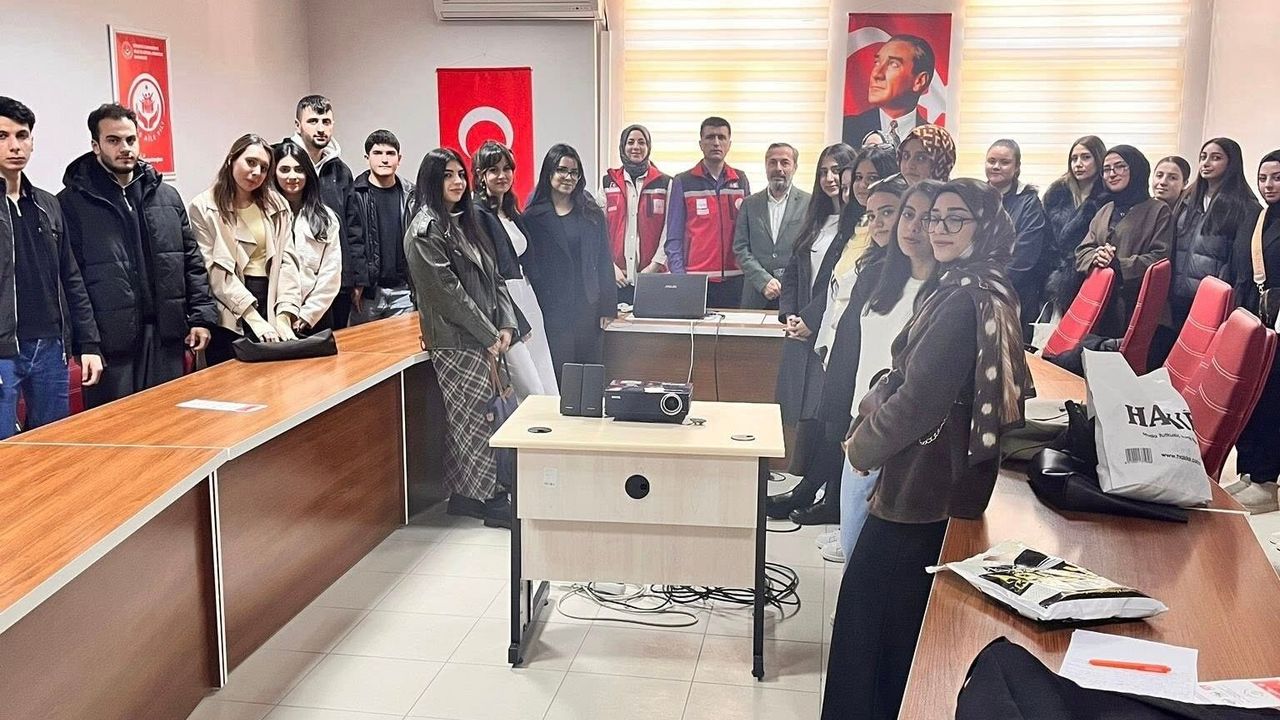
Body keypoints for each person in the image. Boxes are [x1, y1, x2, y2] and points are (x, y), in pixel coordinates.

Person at [823, 178, 1032, 720]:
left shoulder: (963, 299)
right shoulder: (978, 285)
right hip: (942, 484)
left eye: (955, 218)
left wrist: (859, 449)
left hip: (922, 489)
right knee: (894, 630)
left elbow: (919, 402)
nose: (938, 229)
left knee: (869, 627)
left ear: (984, 226)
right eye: (935, 218)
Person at [819, 178, 943, 564]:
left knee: (876, 562)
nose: (912, 227)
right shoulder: (879, 276)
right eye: (907, 214)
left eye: (926, 218)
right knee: (853, 544)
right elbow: (853, 354)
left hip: (903, 440)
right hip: (861, 424)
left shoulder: (949, 292)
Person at [58, 102, 214, 407]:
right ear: (95, 145)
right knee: (118, 426)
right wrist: (87, 343)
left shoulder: (166, 196)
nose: (125, 148)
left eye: (130, 139)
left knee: (171, 419)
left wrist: (201, 317)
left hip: (167, 337)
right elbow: (71, 283)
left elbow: (191, 261)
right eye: (113, 140)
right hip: (111, 346)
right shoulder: (71, 203)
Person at [404, 147, 516, 528]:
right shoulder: (424, 230)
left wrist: (505, 325)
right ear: (430, 181)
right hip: (454, 340)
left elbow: (495, 277)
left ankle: (467, 496)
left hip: (483, 336)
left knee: (479, 415)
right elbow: (446, 292)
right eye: (446, 175)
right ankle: (490, 499)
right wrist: (487, 333)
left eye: (459, 175)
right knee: (476, 418)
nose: (456, 182)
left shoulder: (464, 221)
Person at [768, 143, 860, 525]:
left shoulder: (858, 226)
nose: (830, 178)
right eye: (824, 171)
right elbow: (793, 270)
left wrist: (811, 318)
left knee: (830, 415)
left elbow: (841, 285)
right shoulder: (815, 220)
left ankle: (820, 494)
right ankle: (812, 489)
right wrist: (790, 314)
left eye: (837, 171)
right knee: (812, 411)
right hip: (804, 329)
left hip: (832, 331)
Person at [0, 96, 101, 438]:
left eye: (22, 135)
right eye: (2, 136)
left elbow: (70, 277)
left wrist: (89, 344)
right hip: (4, 350)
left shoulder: (48, 204)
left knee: (54, 444)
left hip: (51, 345)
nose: (15, 146)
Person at [188, 134, 302, 364]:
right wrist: (252, 317)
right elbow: (214, 271)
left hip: (270, 297)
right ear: (232, 160)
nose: (256, 172)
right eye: (250, 162)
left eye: (264, 168)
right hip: (230, 311)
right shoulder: (204, 206)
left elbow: (288, 261)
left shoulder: (277, 203)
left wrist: (284, 314)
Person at [1156, 138, 1261, 363]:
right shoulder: (1188, 197)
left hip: (1211, 299)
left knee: (1197, 360)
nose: (1206, 163)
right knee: (1170, 358)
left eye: (1216, 158)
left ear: (1231, 163)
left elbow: (1240, 262)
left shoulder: (1245, 205)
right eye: (1203, 157)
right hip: (1177, 293)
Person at [522, 144, 616, 383]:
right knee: (561, 374)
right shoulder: (532, 216)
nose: (568, 177)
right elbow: (530, 267)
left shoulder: (591, 212)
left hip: (589, 306)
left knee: (590, 374)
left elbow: (604, 260)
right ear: (549, 172)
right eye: (562, 170)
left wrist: (608, 307)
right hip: (553, 309)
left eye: (574, 172)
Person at [472, 140, 558, 398]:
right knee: (528, 385)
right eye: (494, 170)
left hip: (527, 295)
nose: (502, 175)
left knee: (544, 372)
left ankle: (548, 424)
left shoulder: (511, 211)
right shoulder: (476, 213)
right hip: (504, 301)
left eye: (507, 169)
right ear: (481, 175)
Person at [1072, 145, 1172, 339]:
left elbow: (1160, 259)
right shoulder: (1105, 209)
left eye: (1120, 166)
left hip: (1137, 307)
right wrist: (1096, 256)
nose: (1112, 174)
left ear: (1136, 169)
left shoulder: (1158, 210)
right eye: (1106, 169)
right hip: (1099, 304)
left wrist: (1118, 265)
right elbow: (1082, 250)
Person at [812, 144, 901, 361]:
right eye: (859, 177)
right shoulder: (853, 224)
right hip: (834, 338)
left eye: (872, 177)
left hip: (868, 344)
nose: (862, 185)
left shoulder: (890, 233)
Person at [1230, 150, 1280, 512]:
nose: (1268, 185)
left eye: (1277, 178)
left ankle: (1266, 481)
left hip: (1277, 325)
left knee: (1272, 401)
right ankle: (1248, 472)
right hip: (1253, 318)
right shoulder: (1258, 217)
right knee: (1249, 396)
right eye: (1263, 178)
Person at [288, 95, 363, 329]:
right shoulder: (282, 164)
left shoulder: (341, 171)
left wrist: (355, 279)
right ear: (298, 125)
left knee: (336, 344)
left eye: (326, 121)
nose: (321, 128)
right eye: (313, 121)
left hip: (336, 282)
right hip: (293, 283)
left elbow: (353, 227)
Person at [665, 117, 751, 308]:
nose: (716, 143)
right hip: (697, 280)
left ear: (729, 144)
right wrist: (680, 279)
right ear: (701, 143)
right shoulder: (683, 181)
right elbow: (673, 237)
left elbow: (749, 231)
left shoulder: (740, 179)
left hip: (736, 279)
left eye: (721, 137)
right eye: (710, 137)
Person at [985, 139, 1051, 341]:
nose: (996, 166)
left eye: (1004, 162)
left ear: (1017, 167)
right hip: (974, 292)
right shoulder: (974, 197)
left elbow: (1024, 256)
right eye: (991, 161)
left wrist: (989, 285)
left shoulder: (1029, 202)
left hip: (1014, 294)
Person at [272, 141, 341, 335]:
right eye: (284, 170)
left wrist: (308, 314)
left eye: (299, 170)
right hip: (273, 313)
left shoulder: (325, 218)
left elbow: (331, 271)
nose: (292, 176)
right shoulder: (266, 215)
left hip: (315, 317)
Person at [732, 143, 811, 309]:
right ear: (766, 166)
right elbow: (740, 248)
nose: (778, 168)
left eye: (785, 163)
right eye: (773, 162)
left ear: (795, 167)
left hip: (794, 295)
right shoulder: (749, 204)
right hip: (756, 295)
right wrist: (763, 281)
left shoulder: (809, 203)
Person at [348, 129, 415, 324]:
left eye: (390, 153)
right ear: (367, 158)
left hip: (403, 292)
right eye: (377, 153)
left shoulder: (411, 195)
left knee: (405, 344)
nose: (384, 159)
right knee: (364, 343)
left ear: (399, 159)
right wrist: (358, 282)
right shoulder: (354, 194)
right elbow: (352, 241)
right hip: (368, 293)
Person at [603, 124, 669, 304]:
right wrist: (610, 266)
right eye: (630, 142)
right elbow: (598, 230)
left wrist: (654, 266)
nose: (636, 147)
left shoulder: (665, 183)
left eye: (641, 142)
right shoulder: (608, 183)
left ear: (648, 147)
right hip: (617, 278)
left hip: (653, 279)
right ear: (623, 146)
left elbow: (669, 230)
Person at [1043, 136, 1108, 314]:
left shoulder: (1107, 197)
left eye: (1086, 157)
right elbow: (1045, 237)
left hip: (1089, 278)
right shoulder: (1056, 193)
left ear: (1099, 159)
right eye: (1074, 158)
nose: (1078, 164)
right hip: (1052, 276)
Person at [842, 35, 935, 147]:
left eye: (894, 65)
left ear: (919, 81)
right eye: (877, 62)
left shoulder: (934, 141)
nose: (876, 74)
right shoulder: (847, 130)